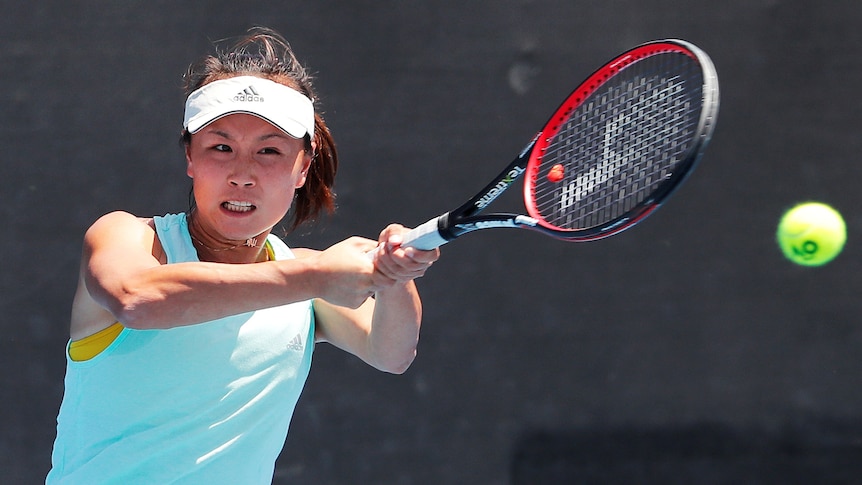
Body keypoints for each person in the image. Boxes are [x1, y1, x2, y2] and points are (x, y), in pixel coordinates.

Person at [46, 27, 439, 484]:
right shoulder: (127, 237)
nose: (242, 174)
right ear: (189, 157)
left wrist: (393, 275)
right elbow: (137, 299)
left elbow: (391, 352)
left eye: (269, 151)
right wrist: (314, 276)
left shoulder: (307, 280)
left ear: (302, 168)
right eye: (221, 147)